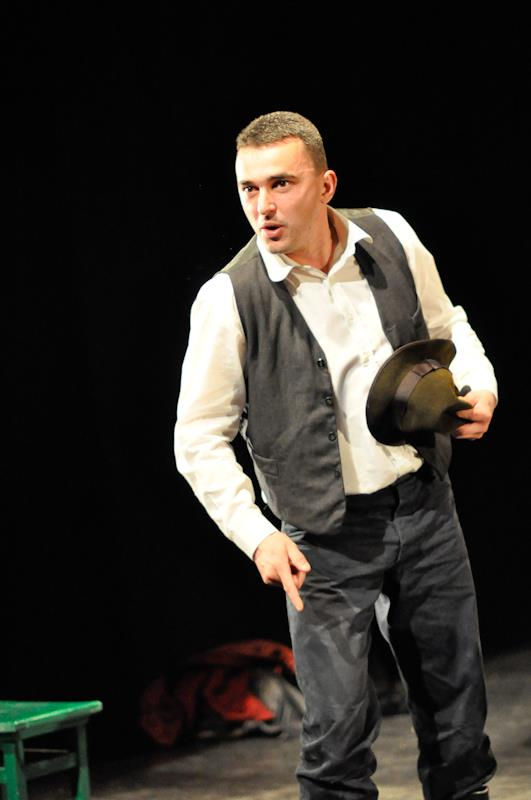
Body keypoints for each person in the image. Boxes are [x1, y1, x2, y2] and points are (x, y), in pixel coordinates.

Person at [174, 111, 498, 800]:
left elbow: (448, 325)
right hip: (323, 536)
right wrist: (257, 535)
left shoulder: (391, 236)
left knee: (458, 722)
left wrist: (480, 385)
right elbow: (197, 437)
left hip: (423, 505)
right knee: (336, 739)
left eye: (280, 184)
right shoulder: (228, 298)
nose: (262, 206)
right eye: (248, 188)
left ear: (324, 185)